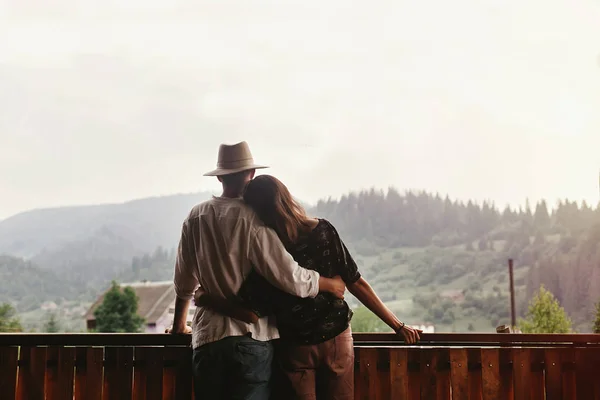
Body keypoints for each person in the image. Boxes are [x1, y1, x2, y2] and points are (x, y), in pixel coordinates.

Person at [196, 174, 421, 400]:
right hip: (336, 337)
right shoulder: (322, 231)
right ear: (285, 196)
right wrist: (398, 326)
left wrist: (206, 299)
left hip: (296, 347)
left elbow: (250, 313)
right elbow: (355, 282)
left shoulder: (269, 251)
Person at [168, 142, 346, 400]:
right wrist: (329, 284)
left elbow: (183, 284)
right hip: (251, 337)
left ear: (219, 176)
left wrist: (178, 328)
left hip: (207, 339)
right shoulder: (254, 218)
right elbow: (291, 278)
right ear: (250, 175)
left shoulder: (195, 217)